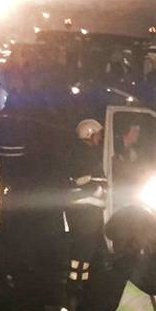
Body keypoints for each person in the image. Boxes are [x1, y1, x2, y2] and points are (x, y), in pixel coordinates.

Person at [65, 119, 107, 292]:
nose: (100, 137)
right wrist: (100, 190)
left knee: (85, 248)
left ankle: (79, 282)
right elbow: (82, 180)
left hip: (85, 209)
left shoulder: (83, 151)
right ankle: (77, 285)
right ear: (90, 134)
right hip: (85, 210)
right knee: (83, 250)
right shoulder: (84, 154)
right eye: (98, 134)